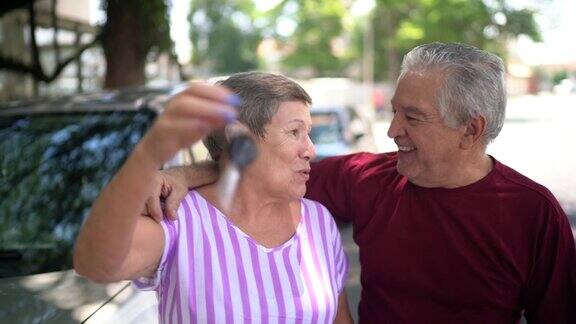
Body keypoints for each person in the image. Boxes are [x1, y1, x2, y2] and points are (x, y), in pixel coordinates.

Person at [144, 43, 576, 323]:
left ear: (471, 129)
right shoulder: (368, 179)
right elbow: (265, 169)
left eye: (413, 117)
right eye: (394, 111)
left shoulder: (532, 214)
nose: (392, 130)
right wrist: (187, 173)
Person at [74, 72, 353, 323]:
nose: (311, 150)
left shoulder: (318, 220)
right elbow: (95, 264)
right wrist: (149, 155)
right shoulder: (179, 219)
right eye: (295, 132)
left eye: (309, 133)